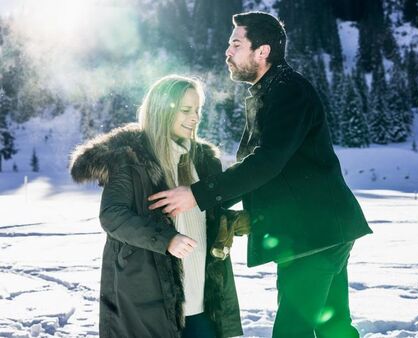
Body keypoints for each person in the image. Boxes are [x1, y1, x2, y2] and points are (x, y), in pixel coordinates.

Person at [148, 12, 373, 338]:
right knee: (333, 327)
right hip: (319, 231)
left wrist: (197, 194)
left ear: (262, 51)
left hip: (314, 234)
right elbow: (271, 170)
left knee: (292, 330)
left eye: (236, 44)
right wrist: (236, 210)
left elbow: (267, 162)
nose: (228, 52)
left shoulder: (287, 92)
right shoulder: (271, 91)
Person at [70, 75, 243, 338]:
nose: (195, 117)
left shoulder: (205, 161)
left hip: (205, 300)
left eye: (197, 110)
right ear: (162, 109)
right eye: (186, 110)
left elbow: (204, 216)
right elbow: (112, 216)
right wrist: (166, 239)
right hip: (152, 298)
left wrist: (236, 221)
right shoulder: (130, 157)